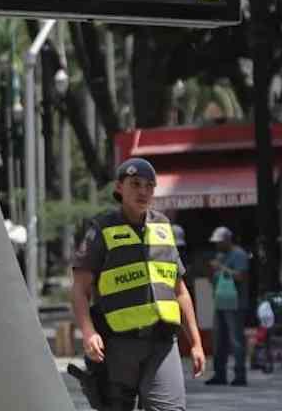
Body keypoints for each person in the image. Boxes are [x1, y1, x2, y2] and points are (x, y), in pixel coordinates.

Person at [71, 157, 206, 411]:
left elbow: (180, 291)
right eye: (135, 184)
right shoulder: (101, 229)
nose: (143, 191)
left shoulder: (164, 228)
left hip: (163, 343)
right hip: (118, 346)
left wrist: (196, 343)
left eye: (149, 186)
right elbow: (80, 289)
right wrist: (89, 333)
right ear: (119, 187)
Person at [204, 226, 250, 387]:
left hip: (235, 303)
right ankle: (220, 374)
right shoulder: (220, 255)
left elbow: (241, 276)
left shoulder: (239, 254)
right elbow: (214, 279)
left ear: (227, 240)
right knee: (219, 339)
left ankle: (240, 374)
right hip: (221, 301)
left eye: (219, 242)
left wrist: (221, 268)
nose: (217, 245)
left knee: (236, 339)